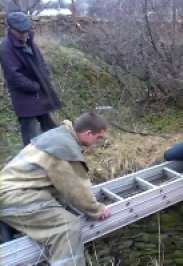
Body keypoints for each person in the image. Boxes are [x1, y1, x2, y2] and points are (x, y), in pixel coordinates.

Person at [0, 112, 111, 266]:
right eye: (98, 138)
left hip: (14, 191)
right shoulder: (64, 149)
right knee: (67, 228)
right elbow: (75, 189)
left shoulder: (60, 135)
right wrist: (98, 209)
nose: (97, 142)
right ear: (88, 133)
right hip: (15, 197)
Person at [0, 11, 62, 147]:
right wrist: (34, 87)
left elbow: (40, 61)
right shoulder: (5, 48)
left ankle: (57, 152)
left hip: (40, 91)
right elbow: (14, 76)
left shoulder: (28, 40)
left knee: (50, 127)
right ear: (10, 29)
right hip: (25, 96)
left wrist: (45, 75)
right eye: (20, 32)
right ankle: (29, 163)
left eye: (26, 31)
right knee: (30, 136)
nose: (24, 34)